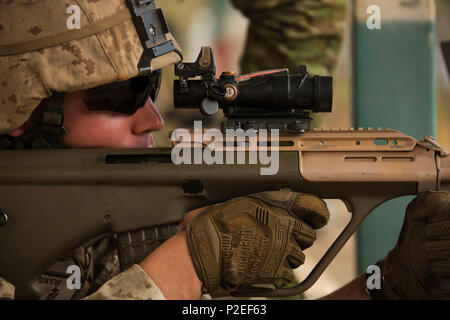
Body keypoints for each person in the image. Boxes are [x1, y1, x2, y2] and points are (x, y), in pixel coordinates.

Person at [0, 0, 448, 300]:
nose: (153, 120)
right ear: (20, 110)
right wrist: (189, 263)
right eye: (122, 97)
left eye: (151, 87)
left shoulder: (129, 231)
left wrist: (393, 287)